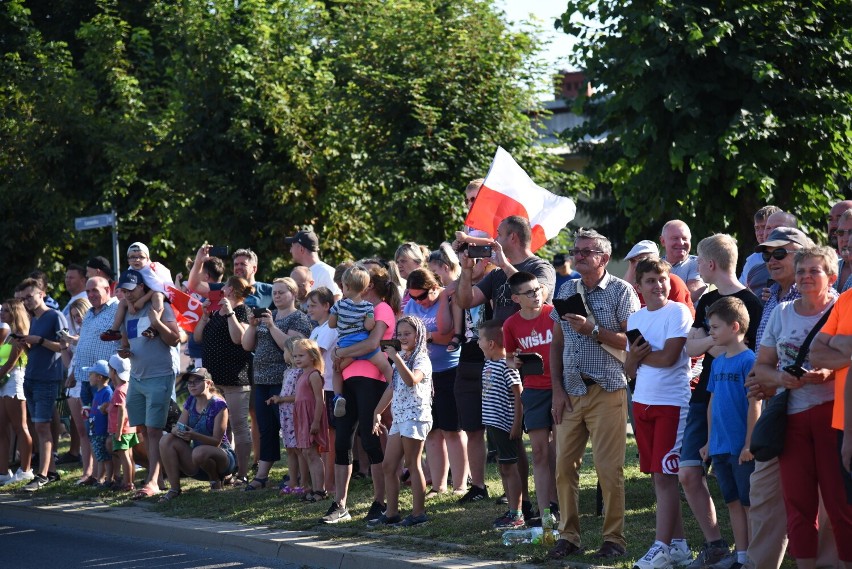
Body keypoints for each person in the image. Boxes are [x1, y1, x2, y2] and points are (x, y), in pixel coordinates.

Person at [751, 247, 852, 569]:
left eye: (814, 271)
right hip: (791, 418)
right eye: (802, 271)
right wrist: (781, 376)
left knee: (840, 504)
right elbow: (762, 366)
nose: (806, 277)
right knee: (798, 503)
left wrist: (828, 371)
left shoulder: (842, 308)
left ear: (831, 276)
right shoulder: (781, 312)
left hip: (833, 416)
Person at [548, 229, 639, 560]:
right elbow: (557, 342)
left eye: (586, 251)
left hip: (608, 390)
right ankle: (568, 536)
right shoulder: (567, 288)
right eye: (577, 251)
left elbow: (634, 343)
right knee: (563, 468)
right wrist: (556, 389)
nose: (579, 255)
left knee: (608, 469)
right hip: (571, 392)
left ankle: (614, 539)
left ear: (603, 257)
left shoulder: (622, 291)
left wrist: (593, 330)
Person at [683, 233, 763, 568]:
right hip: (706, 395)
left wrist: (710, 344)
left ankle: (751, 553)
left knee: (745, 492)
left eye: (699, 261)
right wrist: (715, 345)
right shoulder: (705, 301)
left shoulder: (753, 303)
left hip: (738, 402)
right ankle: (718, 545)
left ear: (711, 264)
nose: (697, 267)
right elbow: (690, 347)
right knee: (688, 472)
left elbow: (747, 352)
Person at [624, 259, 693, 569]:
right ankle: (678, 546)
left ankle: (661, 547)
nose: (658, 285)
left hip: (671, 404)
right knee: (658, 476)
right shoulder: (634, 318)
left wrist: (640, 356)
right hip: (642, 403)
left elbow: (668, 358)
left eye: (662, 279)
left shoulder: (678, 311)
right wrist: (635, 358)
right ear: (639, 286)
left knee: (666, 476)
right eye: (650, 280)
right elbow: (628, 369)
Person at [324, 266, 400, 524]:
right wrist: (340, 356)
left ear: (369, 286)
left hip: (371, 380)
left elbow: (371, 344)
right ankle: (340, 504)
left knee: (370, 440)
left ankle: (380, 501)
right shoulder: (351, 307)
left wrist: (340, 355)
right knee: (342, 441)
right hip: (346, 380)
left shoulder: (380, 309)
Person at [700, 297, 759, 569]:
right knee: (733, 501)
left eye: (715, 327)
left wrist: (749, 443)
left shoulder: (749, 360)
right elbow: (712, 403)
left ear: (734, 327)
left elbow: (755, 404)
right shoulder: (719, 362)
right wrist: (710, 442)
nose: (710, 332)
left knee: (748, 503)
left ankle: (756, 557)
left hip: (741, 449)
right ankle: (742, 556)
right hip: (721, 447)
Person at [241, 277, 311, 491]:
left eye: (282, 292)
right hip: (261, 380)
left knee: (290, 430)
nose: (277, 296)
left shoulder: (298, 318)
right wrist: (253, 327)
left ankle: (297, 476)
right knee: (266, 428)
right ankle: (262, 475)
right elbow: (246, 345)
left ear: (294, 294)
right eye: (275, 292)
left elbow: (290, 348)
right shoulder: (266, 315)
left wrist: (271, 325)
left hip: (284, 382)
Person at [116, 269, 181, 500]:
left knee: (154, 431)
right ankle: (158, 476)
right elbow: (126, 343)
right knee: (142, 429)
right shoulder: (126, 312)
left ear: (142, 287)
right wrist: (123, 351)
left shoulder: (160, 306)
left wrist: (157, 323)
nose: (127, 294)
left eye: (130, 290)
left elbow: (175, 339)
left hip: (160, 375)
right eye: (124, 290)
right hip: (136, 377)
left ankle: (152, 481)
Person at [403, 267, 467, 497]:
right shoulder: (411, 305)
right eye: (412, 296)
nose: (417, 301)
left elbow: (448, 333)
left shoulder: (446, 299)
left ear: (434, 288)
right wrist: (428, 337)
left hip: (449, 370)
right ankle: (438, 486)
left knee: (453, 429)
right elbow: (405, 339)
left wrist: (426, 335)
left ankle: (460, 484)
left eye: (421, 296)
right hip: (424, 375)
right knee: (433, 431)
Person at [503, 271, 557, 522]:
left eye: (538, 289)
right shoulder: (511, 324)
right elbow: (509, 358)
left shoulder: (554, 314)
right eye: (529, 292)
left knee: (560, 450)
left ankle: (560, 504)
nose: (537, 295)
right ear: (516, 298)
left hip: (561, 387)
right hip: (534, 390)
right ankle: (546, 511)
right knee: (539, 452)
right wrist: (515, 361)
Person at [370, 316, 433, 527]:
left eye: (408, 333)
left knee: (412, 464)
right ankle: (392, 513)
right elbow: (393, 387)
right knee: (389, 465)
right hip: (400, 417)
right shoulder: (402, 357)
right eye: (399, 334)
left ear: (419, 335)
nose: (403, 337)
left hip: (415, 416)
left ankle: (418, 514)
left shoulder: (420, 358)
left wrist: (395, 358)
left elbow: (411, 380)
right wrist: (377, 412)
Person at [194, 275, 253, 484]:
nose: (222, 289)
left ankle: (243, 473)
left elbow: (239, 339)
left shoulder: (242, 311)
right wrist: (203, 317)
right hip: (214, 381)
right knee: (220, 428)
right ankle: (226, 469)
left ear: (232, 290)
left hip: (235, 379)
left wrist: (229, 314)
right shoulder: (215, 312)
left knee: (238, 425)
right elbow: (198, 338)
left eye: (225, 286)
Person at [66, 277, 120, 485]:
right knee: (92, 429)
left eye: (95, 291)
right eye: (88, 292)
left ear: (107, 289)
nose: (91, 295)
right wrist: (73, 374)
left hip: (107, 381)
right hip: (86, 380)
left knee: (109, 429)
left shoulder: (117, 309)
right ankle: (93, 473)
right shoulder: (89, 313)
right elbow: (82, 346)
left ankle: (113, 475)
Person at [456, 215, 557, 322]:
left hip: (529, 337)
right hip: (501, 338)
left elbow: (537, 295)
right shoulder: (497, 273)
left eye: (499, 234)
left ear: (513, 237)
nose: (495, 239)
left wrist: (505, 265)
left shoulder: (541, 268)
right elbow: (465, 302)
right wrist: (466, 270)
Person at [18, 277, 67, 492]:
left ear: (42, 294)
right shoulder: (34, 319)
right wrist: (26, 342)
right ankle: (52, 471)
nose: (27, 301)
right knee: (37, 426)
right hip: (32, 377)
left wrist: (38, 340)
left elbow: (63, 347)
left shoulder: (54, 316)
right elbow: (37, 350)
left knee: (42, 427)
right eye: (24, 298)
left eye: (30, 296)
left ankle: (43, 475)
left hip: (47, 379)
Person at [158, 368, 237, 501]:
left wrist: (194, 436)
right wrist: (176, 430)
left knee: (199, 452)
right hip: (199, 459)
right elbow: (179, 426)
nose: (192, 385)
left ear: (209, 383)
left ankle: (215, 479)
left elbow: (216, 442)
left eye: (197, 381)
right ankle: (174, 489)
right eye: (189, 382)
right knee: (166, 440)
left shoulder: (219, 405)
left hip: (223, 458)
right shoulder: (191, 400)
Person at [329, 264, 394, 416]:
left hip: (346, 346)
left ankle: (338, 397)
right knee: (386, 367)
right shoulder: (368, 307)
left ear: (346, 287)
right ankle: (396, 387)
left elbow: (331, 324)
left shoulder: (338, 305)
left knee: (336, 370)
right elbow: (369, 325)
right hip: (364, 346)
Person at [477, 319, 524, 528]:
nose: (477, 342)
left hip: (505, 425)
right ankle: (511, 510)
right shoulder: (488, 362)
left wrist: (516, 424)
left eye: (479, 339)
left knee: (510, 467)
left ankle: (517, 513)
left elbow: (518, 396)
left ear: (491, 344)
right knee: (502, 467)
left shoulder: (508, 366)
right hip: (492, 423)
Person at [101, 242, 172, 341]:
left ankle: (153, 328)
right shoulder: (130, 270)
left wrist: (142, 300)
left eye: (141, 257)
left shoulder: (151, 269)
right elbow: (126, 290)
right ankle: (114, 331)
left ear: (147, 258)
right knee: (122, 303)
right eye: (132, 257)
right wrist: (130, 304)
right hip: (142, 294)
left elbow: (159, 287)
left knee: (158, 296)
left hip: (157, 291)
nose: (136, 260)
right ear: (128, 260)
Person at [306, 287, 339, 494]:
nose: (309, 310)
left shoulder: (329, 328)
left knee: (330, 440)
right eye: (307, 305)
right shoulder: (317, 328)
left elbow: (314, 355)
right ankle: (323, 483)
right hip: (320, 388)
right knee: (323, 440)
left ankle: (329, 484)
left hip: (329, 388)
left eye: (313, 305)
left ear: (327, 306)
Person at [0, 298, 33, 485]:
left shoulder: (20, 335)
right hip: (3, 381)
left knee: (20, 426)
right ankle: (3, 471)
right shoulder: (8, 335)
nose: (1, 313)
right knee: (1, 427)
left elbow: (11, 363)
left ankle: (26, 469)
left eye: (5, 310)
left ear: (14, 313)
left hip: (14, 381)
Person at [292, 338, 329, 502]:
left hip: (311, 417)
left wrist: (315, 421)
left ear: (313, 356)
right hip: (302, 417)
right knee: (306, 452)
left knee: (313, 454)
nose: (297, 359)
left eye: (301, 355)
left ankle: (320, 490)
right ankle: (314, 488)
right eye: (295, 356)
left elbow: (319, 400)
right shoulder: (302, 374)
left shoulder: (314, 375)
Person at [268, 336, 305, 495]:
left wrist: (281, 399)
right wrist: (278, 399)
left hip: (295, 413)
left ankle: (304, 482)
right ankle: (293, 481)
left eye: (285, 351)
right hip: (286, 415)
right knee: (290, 449)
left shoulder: (301, 373)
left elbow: (300, 395)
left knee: (299, 449)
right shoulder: (287, 371)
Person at [623, 240, 694, 316]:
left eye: (645, 259)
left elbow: (680, 316)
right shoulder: (632, 284)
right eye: (633, 261)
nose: (638, 264)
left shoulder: (673, 282)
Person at [107, 354, 138, 492]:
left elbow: (122, 411)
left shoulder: (119, 390)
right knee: (130, 456)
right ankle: (131, 481)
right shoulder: (127, 386)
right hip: (130, 428)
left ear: (114, 371)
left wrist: (118, 431)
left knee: (124, 456)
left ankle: (127, 483)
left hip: (122, 430)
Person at [286, 229, 342, 302]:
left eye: (292, 246)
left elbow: (336, 301)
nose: (290, 250)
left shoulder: (326, 272)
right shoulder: (300, 273)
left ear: (301, 249)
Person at [660, 220, 706, 303]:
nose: (681, 243)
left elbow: (688, 297)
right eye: (675, 238)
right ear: (663, 241)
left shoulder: (698, 263)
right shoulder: (655, 265)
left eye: (685, 238)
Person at [84, 359, 114, 486]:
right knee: (100, 456)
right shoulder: (98, 392)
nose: (88, 376)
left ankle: (104, 479)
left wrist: (103, 409)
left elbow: (109, 409)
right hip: (96, 431)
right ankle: (102, 479)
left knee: (104, 458)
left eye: (91, 374)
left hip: (102, 431)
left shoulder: (107, 392)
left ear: (99, 377)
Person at [739, 206, 781, 294]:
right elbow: (741, 290)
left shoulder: (795, 256)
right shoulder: (752, 261)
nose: (760, 233)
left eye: (765, 227)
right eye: (757, 228)